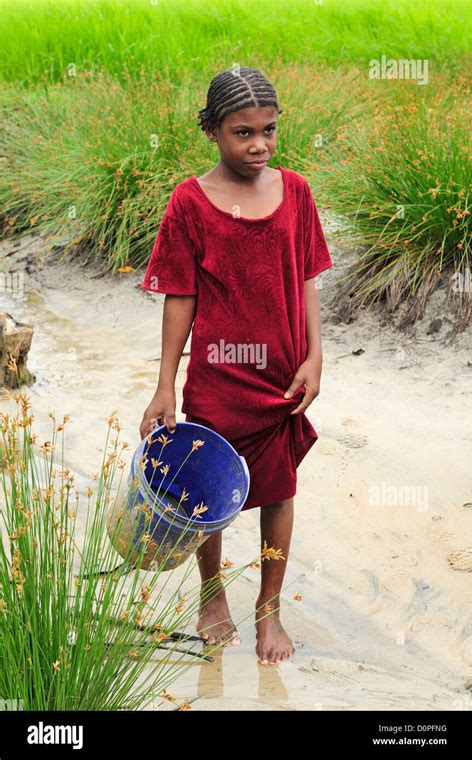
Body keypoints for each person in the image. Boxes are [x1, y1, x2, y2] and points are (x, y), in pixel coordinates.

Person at [139, 66, 333, 665]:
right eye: (242, 132)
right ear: (213, 133)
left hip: (281, 377)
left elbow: (305, 276)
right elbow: (180, 294)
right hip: (218, 377)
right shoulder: (190, 201)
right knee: (210, 492)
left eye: (269, 131)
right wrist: (165, 384)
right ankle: (213, 593)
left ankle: (268, 609)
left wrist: (314, 355)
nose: (259, 145)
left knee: (278, 490)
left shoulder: (295, 191)